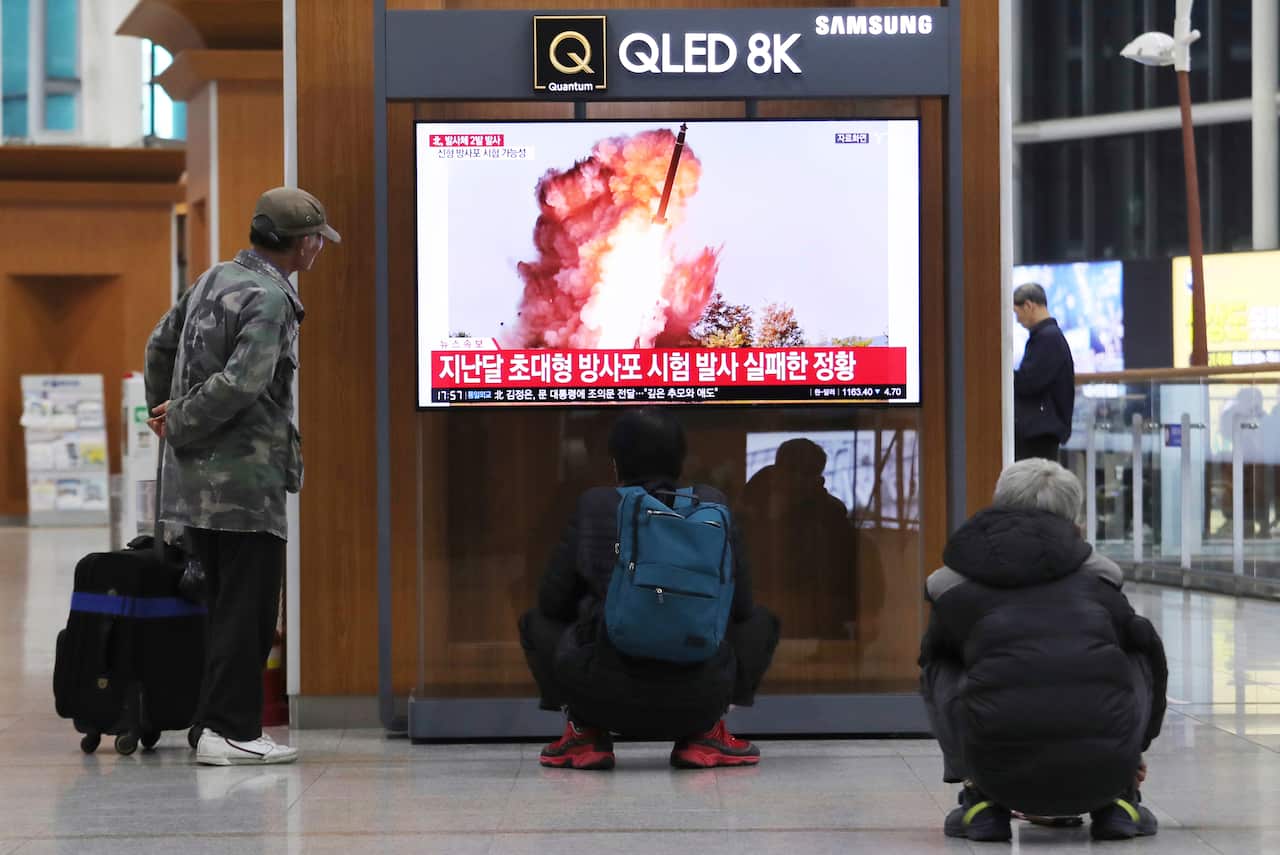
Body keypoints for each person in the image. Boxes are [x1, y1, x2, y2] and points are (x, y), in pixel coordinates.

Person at [144, 187, 339, 766]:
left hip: (192, 483)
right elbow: (244, 383)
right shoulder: (271, 298)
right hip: (244, 484)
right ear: (301, 244)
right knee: (248, 611)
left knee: (223, 606)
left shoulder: (213, 278)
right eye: (317, 241)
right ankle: (230, 730)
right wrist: (179, 419)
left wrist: (166, 412)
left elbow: (160, 345)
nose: (319, 250)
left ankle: (211, 726)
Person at [919, 459, 1167, 842]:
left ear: (1000, 505)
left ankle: (980, 801)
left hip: (999, 774)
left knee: (940, 657)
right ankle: (1120, 800)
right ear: (1073, 516)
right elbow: (1149, 658)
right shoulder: (1100, 576)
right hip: (1101, 774)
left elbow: (938, 649)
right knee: (1134, 645)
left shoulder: (952, 583)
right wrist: (1134, 750)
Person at [519, 408, 780, 770]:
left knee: (537, 622)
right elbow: (743, 608)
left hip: (601, 693)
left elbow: (552, 601)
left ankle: (584, 734)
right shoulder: (712, 506)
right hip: (700, 693)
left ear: (616, 461)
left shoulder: (596, 505)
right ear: (679, 459)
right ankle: (706, 733)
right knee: (760, 622)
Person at [739, 438, 856, 640]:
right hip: (768, 618)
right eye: (792, 470)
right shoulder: (753, 508)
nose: (795, 480)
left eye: (806, 473)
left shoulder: (829, 517)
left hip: (811, 622)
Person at [1013, 283, 1075, 462]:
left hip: (1039, 433)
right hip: (1041, 430)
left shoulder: (1047, 339)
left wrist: (1003, 375)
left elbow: (1028, 382)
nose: (1017, 320)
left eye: (1017, 313)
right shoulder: (1050, 336)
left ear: (1028, 306)